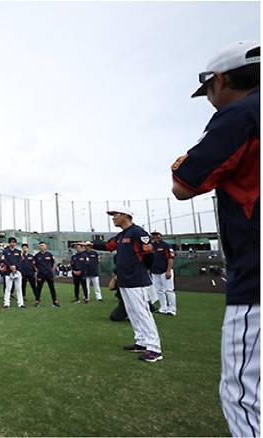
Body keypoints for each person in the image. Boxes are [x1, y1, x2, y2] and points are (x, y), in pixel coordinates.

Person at [171, 41, 259, 435]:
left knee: (243, 395)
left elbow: (184, 183)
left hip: (257, 278)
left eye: (207, 90)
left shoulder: (242, 113)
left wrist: (181, 164)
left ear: (220, 80)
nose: (209, 98)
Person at [93, 207, 163, 363]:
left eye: (115, 215)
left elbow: (149, 255)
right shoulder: (121, 235)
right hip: (124, 280)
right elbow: (108, 246)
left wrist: (140, 269)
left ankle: (154, 348)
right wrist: (90, 245)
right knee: (132, 312)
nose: (113, 218)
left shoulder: (138, 232)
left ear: (125, 215)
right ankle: (141, 342)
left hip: (136, 279)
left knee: (143, 313)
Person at [149, 231, 176, 316]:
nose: (155, 237)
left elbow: (170, 258)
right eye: (153, 235)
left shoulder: (166, 246)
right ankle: (163, 307)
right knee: (159, 291)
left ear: (161, 236)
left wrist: (168, 270)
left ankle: (172, 309)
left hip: (164, 271)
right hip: (154, 271)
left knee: (169, 290)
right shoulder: (152, 246)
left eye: (157, 235)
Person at [34, 242, 60, 307]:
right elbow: (34, 264)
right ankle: (37, 301)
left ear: (46, 247)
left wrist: (52, 269)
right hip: (40, 274)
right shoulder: (37, 255)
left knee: (52, 288)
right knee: (38, 288)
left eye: (43, 245)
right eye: (40, 246)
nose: (41, 247)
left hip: (49, 274)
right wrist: (36, 270)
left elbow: (54, 263)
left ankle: (55, 301)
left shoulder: (49, 254)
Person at [2, 237, 25, 309]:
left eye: (14, 242)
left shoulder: (18, 252)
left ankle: (21, 304)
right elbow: (3, 260)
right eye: (11, 242)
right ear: (9, 243)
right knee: (8, 288)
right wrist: (10, 266)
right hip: (8, 272)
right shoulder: (5, 251)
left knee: (18, 288)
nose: (13, 243)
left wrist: (15, 267)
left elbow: (20, 260)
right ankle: (6, 303)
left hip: (17, 272)